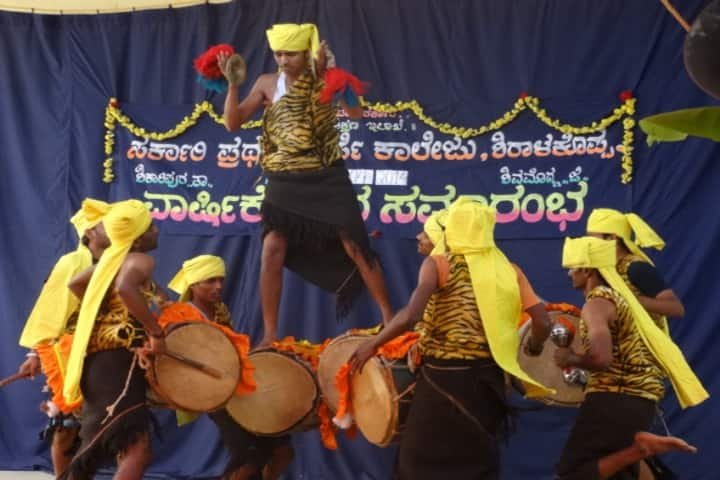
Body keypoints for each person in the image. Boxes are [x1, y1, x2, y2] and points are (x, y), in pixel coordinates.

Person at [349, 198, 552, 480]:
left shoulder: (438, 264)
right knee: (476, 464)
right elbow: (543, 322)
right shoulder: (509, 270)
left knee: (417, 465)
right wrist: (534, 346)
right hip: (487, 383)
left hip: (443, 379)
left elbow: (411, 315)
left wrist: (373, 344)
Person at [219, 23, 393, 347]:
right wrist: (232, 85)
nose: (283, 60)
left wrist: (338, 77)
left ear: (305, 53)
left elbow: (356, 113)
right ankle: (270, 335)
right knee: (271, 248)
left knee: (355, 245)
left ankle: (389, 319)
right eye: (278, 54)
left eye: (291, 54)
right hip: (284, 180)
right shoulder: (266, 83)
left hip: (326, 177)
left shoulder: (323, 79)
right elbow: (232, 123)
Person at [554, 236, 707, 480]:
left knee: (574, 472)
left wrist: (571, 358)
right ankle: (637, 452)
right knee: (618, 473)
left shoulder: (597, 304)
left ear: (587, 270)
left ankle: (639, 450)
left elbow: (601, 359)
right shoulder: (621, 300)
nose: (569, 274)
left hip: (614, 399)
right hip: (639, 401)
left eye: (572, 268)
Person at [60, 199, 167, 480]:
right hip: (119, 362)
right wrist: (155, 332)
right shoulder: (139, 259)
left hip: (102, 363)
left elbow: (76, 284)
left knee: (106, 444)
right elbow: (125, 288)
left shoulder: (112, 261)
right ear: (138, 238)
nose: (157, 230)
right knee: (136, 448)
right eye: (150, 227)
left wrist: (105, 310)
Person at [165, 255, 293, 480]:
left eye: (221, 280)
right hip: (213, 395)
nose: (219, 286)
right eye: (210, 281)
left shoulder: (219, 310)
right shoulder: (180, 315)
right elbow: (174, 359)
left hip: (236, 387)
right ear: (193, 284)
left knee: (281, 450)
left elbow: (229, 352)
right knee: (249, 456)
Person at [16, 198, 110, 476]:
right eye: (106, 225)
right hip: (68, 352)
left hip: (105, 351)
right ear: (90, 232)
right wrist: (35, 354)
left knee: (95, 424)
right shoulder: (72, 262)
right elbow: (50, 309)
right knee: (67, 424)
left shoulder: (116, 262)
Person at [586, 208, 684, 332]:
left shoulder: (636, 268)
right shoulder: (605, 269)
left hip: (646, 343)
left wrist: (630, 301)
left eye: (592, 238)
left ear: (612, 238)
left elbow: (676, 308)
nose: (588, 244)